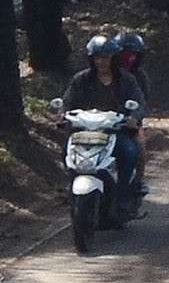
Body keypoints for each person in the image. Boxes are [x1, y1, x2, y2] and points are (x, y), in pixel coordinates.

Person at [61, 36, 146, 210]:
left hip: (115, 132)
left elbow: (139, 103)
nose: (101, 61)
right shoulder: (80, 79)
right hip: (84, 132)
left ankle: (123, 197)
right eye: (98, 57)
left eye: (106, 57)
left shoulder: (127, 79)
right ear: (91, 58)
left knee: (128, 152)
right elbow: (68, 102)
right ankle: (72, 193)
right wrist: (62, 115)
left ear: (113, 58)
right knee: (66, 151)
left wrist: (132, 118)